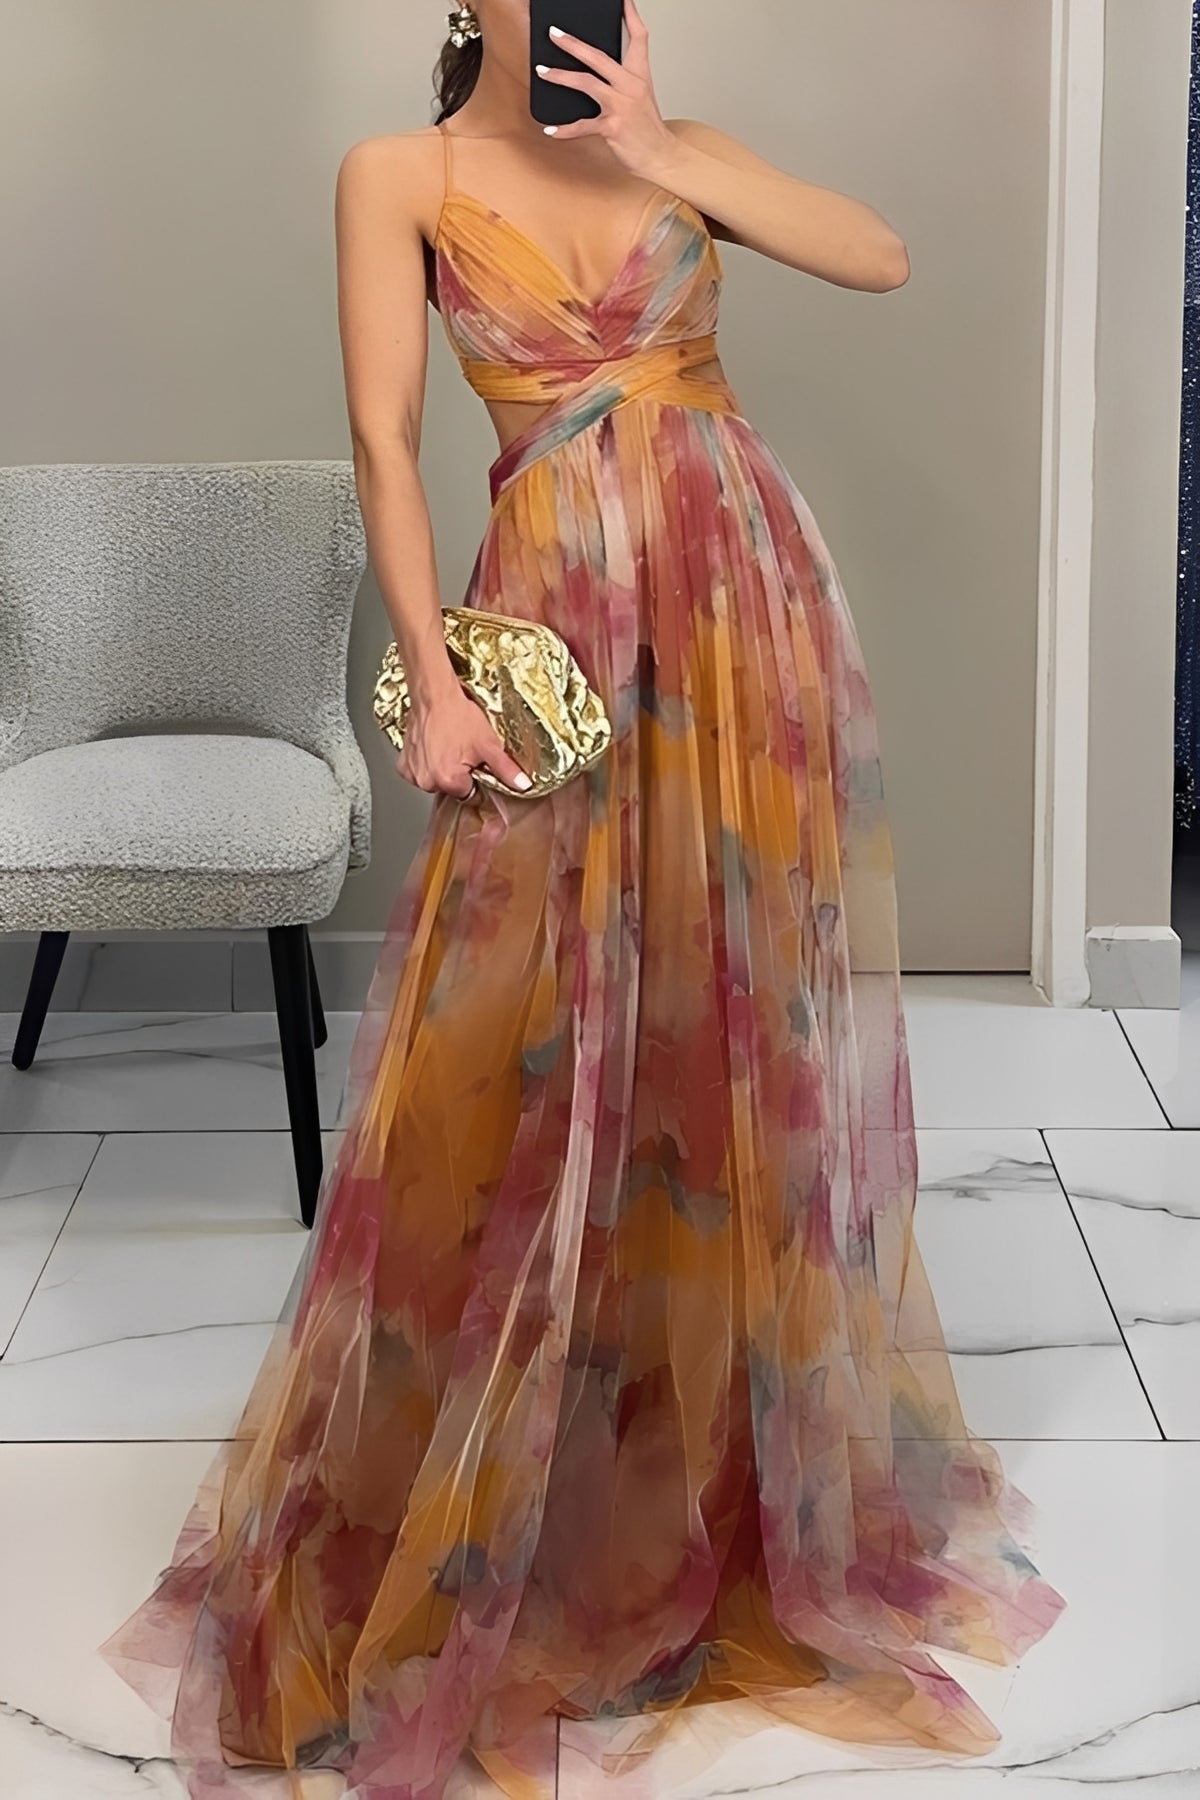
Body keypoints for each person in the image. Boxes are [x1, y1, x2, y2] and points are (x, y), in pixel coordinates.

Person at [98, 4, 1066, 1796]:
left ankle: (701, 1465)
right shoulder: (398, 173)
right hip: (550, 629)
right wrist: (432, 681)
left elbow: (882, 254)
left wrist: (661, 150)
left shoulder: (675, 147)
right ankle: (520, 1464)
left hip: (741, 610)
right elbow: (385, 435)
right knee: (528, 1027)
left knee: (726, 1014)